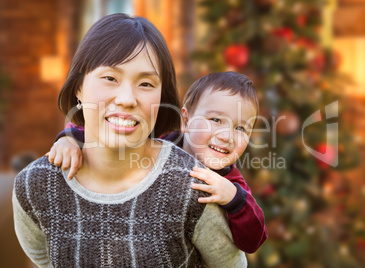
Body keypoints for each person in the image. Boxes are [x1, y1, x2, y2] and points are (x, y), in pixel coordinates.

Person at [13, 13, 247, 268]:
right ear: (79, 86)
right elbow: (43, 258)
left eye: (146, 83)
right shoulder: (35, 186)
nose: (127, 98)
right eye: (110, 78)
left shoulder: (192, 187)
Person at [48, 72, 268, 253]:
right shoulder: (158, 142)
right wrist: (68, 139)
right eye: (216, 120)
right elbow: (102, 132)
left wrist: (234, 198)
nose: (226, 136)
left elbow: (253, 240)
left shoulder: (231, 182)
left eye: (241, 128)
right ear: (186, 119)